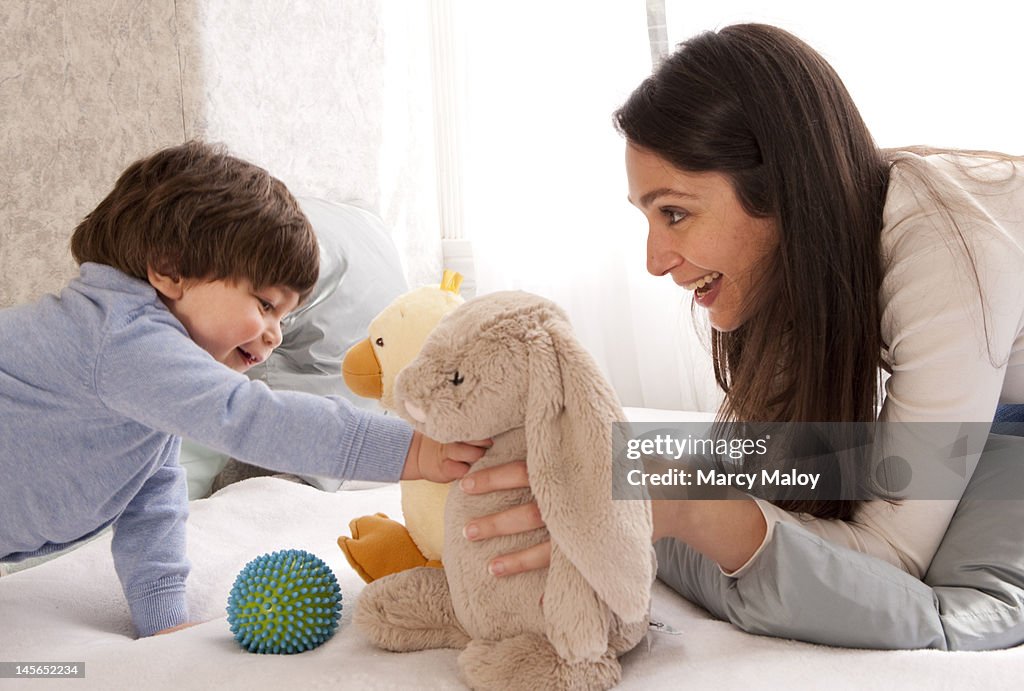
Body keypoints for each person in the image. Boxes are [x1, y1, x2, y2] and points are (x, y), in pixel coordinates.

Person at [457, 22, 1024, 635]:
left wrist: (692, 512)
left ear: (780, 190)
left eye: (675, 213)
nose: (654, 261)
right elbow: (764, 482)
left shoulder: (942, 256)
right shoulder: (812, 263)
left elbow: (893, 556)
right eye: (649, 218)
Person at [0, 141, 486, 637]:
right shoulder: (120, 336)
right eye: (265, 304)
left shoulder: (149, 376)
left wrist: (163, 624)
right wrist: (414, 450)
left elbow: (151, 500)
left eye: (285, 316)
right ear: (169, 270)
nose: (275, 334)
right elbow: (255, 419)